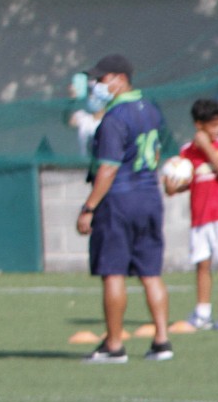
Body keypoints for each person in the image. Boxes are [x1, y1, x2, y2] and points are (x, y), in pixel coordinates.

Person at [74, 54, 173, 363]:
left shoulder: (114, 118)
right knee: (150, 273)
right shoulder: (151, 110)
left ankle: (114, 345)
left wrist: (89, 207)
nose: (96, 86)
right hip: (149, 197)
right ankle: (162, 340)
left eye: (101, 80)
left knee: (113, 271)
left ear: (119, 78)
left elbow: (108, 169)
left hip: (118, 200)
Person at [177, 98, 218, 333]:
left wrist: (206, 147)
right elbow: (182, 183)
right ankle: (202, 311)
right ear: (199, 125)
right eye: (212, 125)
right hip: (199, 216)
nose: (217, 130)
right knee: (202, 263)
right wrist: (172, 182)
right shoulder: (186, 151)